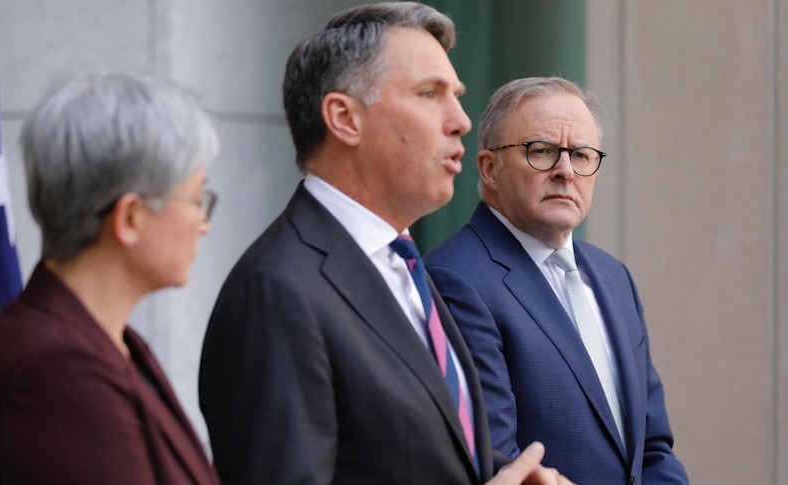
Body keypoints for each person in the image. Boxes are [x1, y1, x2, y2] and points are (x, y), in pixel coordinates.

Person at [198, 3, 573, 485]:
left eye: (455, 95)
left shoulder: (402, 265)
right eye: (429, 93)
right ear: (344, 118)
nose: (460, 118)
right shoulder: (276, 292)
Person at [0, 73, 222, 485]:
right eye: (196, 198)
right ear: (130, 217)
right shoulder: (56, 370)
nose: (203, 224)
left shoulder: (107, 342)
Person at [424, 76, 690, 484]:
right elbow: (500, 462)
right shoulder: (455, 280)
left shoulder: (614, 278)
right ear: (490, 168)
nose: (565, 171)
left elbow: (652, 450)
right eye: (542, 151)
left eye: (582, 155)